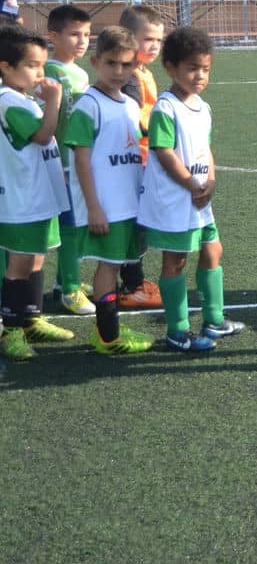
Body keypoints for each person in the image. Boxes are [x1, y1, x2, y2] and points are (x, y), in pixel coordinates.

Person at [138, 26, 244, 352]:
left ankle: (214, 320)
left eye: (205, 69)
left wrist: (209, 179)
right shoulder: (165, 108)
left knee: (213, 250)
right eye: (192, 68)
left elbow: (205, 150)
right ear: (170, 68)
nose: (199, 76)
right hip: (174, 200)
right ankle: (177, 330)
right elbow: (164, 152)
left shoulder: (203, 107)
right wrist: (189, 182)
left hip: (199, 196)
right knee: (176, 261)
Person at [64, 26, 155, 355]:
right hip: (107, 206)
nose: (119, 71)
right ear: (95, 61)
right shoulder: (89, 106)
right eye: (112, 63)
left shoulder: (130, 105)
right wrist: (94, 207)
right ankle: (108, 336)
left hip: (129, 203)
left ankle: (108, 328)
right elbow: (82, 161)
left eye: (127, 65)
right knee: (108, 266)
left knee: (116, 265)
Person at [0, 23, 75, 361]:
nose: (40, 73)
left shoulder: (24, 99)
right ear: (6, 67)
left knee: (38, 255)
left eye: (42, 66)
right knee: (19, 263)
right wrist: (54, 101)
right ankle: (11, 330)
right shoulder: (7, 101)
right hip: (22, 199)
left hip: (41, 195)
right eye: (32, 65)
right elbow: (44, 135)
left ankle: (31, 318)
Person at [44, 4, 95, 315]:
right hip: (60, 162)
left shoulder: (80, 72)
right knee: (70, 227)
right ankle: (70, 291)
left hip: (77, 161)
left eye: (87, 34)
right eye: (74, 34)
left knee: (76, 225)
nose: (82, 40)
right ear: (53, 36)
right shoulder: (50, 72)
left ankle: (66, 281)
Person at [117, 4, 165, 309]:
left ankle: (133, 280)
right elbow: (134, 117)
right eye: (148, 38)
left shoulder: (143, 72)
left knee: (141, 225)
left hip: (145, 159)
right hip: (137, 161)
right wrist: (165, 130)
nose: (154, 46)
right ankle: (132, 284)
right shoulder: (131, 75)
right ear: (128, 37)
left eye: (158, 40)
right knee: (138, 225)